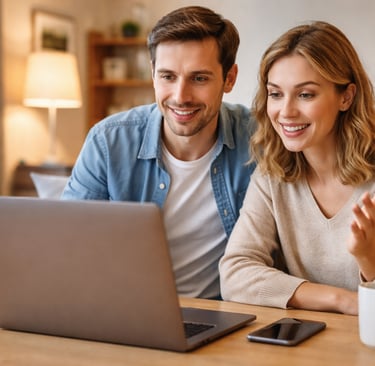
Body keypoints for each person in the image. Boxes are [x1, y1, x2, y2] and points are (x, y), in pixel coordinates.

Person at [62, 6, 256, 299]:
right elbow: (68, 245)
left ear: (229, 78)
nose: (180, 96)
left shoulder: (261, 139)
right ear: (152, 74)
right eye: (167, 76)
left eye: (199, 78)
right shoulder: (107, 141)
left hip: (224, 316)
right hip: (127, 309)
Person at [219, 21, 375, 315]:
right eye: (276, 94)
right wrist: (341, 300)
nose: (286, 112)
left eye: (305, 95)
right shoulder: (272, 175)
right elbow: (235, 274)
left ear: (346, 96)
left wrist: (369, 263)